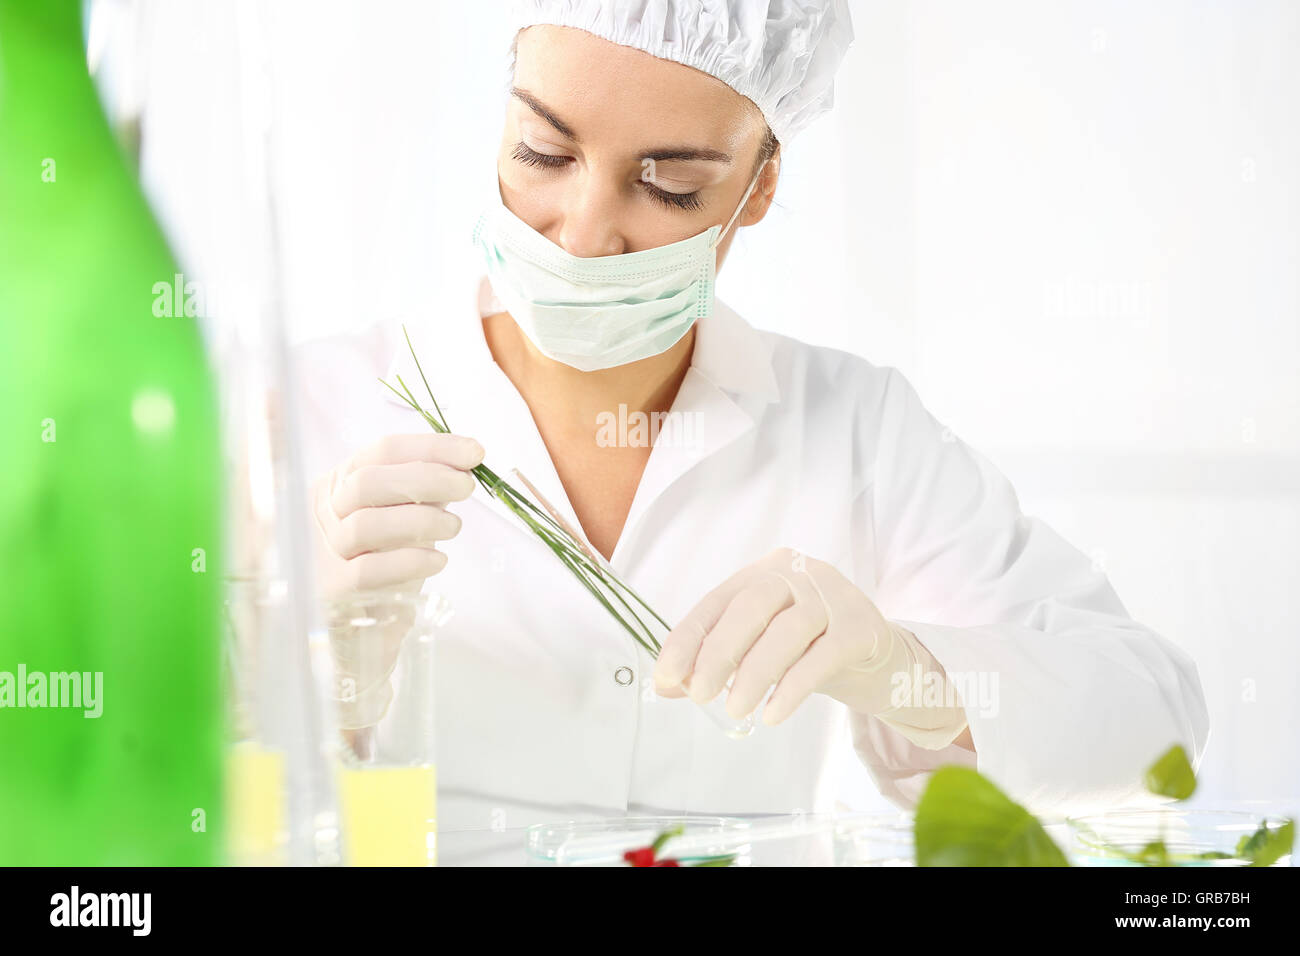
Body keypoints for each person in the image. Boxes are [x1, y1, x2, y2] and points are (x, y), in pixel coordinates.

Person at [297, 0, 1208, 834]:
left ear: (759, 188)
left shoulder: (853, 429)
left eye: (669, 186)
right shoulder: (312, 406)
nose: (583, 234)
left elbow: (1155, 718)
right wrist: (320, 668)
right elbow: (181, 786)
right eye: (544, 152)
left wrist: (906, 671)